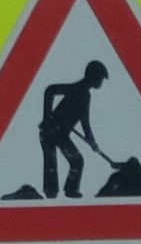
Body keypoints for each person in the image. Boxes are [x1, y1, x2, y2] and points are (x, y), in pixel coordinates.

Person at [38, 60, 108, 198]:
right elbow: (50, 90)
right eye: (100, 78)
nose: (101, 82)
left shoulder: (86, 96)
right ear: (92, 76)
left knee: (77, 161)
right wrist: (47, 119)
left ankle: (70, 190)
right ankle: (51, 194)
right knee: (51, 163)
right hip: (49, 131)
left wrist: (92, 142)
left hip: (62, 134)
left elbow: (85, 122)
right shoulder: (77, 88)